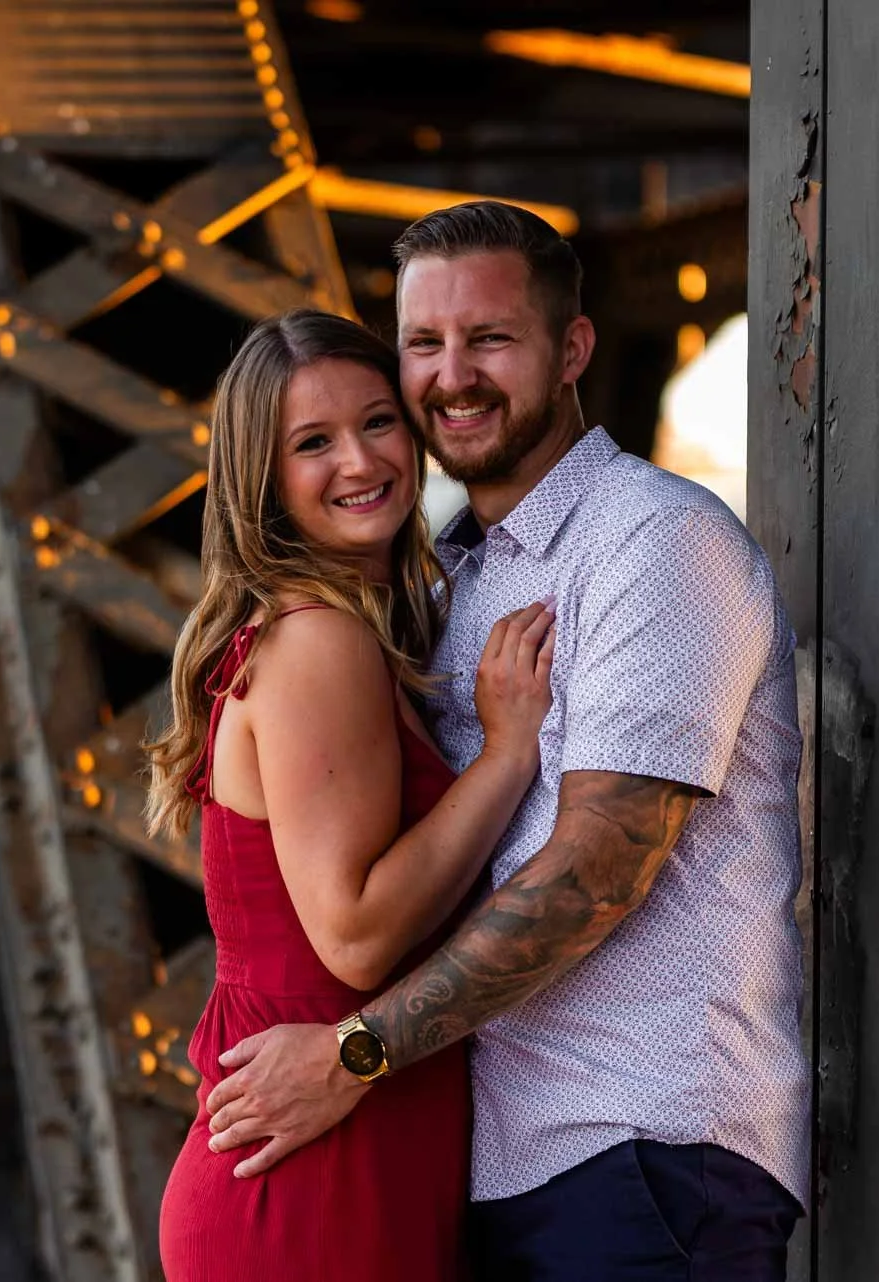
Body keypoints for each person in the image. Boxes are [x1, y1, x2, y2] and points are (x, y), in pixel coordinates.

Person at [200, 202, 811, 1280]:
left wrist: (357, 1052)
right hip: (496, 1163)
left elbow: (598, 870)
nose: (454, 376)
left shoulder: (654, 541)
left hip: (641, 1146)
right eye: (424, 344)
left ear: (572, 349)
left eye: (490, 338)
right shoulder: (445, 582)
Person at [146, 309, 557, 1282]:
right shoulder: (318, 641)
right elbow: (357, 935)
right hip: (312, 1179)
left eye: (377, 423)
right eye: (313, 443)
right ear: (262, 477)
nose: (360, 461)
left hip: (346, 1146)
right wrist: (507, 757)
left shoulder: (345, 631)